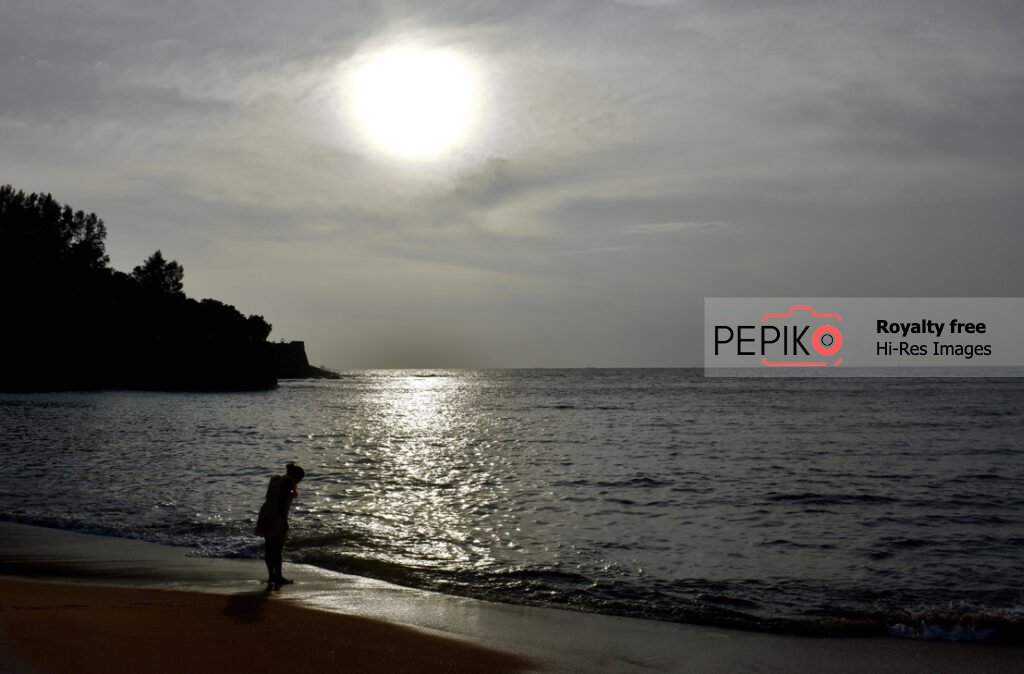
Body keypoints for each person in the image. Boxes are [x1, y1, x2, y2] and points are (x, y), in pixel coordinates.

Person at [255, 462, 305, 589]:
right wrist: (285, 521)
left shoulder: (276, 479)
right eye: (300, 479)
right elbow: (282, 502)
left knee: (269, 546)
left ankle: (272, 576)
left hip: (266, 513)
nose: (299, 482)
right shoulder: (289, 482)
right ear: (296, 476)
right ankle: (279, 577)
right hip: (276, 515)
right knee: (277, 547)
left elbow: (270, 497)